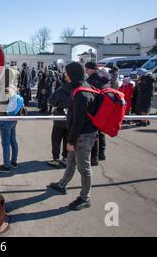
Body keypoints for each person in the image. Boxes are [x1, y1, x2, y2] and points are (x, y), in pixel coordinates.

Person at [49, 62, 98, 211]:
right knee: (70, 161)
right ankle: (62, 185)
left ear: (73, 74)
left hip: (83, 136)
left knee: (84, 168)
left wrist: (70, 141)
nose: (64, 75)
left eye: (67, 73)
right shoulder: (82, 87)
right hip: (81, 134)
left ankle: (85, 198)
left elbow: (78, 120)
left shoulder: (82, 93)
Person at [85, 62, 109, 164]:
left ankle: (94, 158)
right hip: (104, 109)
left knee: (94, 134)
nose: (86, 71)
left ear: (91, 69)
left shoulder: (91, 81)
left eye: (87, 69)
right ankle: (102, 154)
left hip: (94, 110)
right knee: (101, 132)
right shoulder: (103, 79)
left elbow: (89, 96)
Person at [0, 94, 25, 173]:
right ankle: (14, 162)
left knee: (5, 143)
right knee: (13, 140)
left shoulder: (4, 90)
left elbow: (2, 108)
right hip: (13, 118)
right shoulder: (13, 89)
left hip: (5, 119)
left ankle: (6, 166)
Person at [47, 80, 71, 168]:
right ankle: (65, 158)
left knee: (56, 139)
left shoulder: (61, 90)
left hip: (60, 118)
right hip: (70, 118)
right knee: (67, 139)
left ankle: (56, 159)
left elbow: (51, 101)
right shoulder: (78, 89)